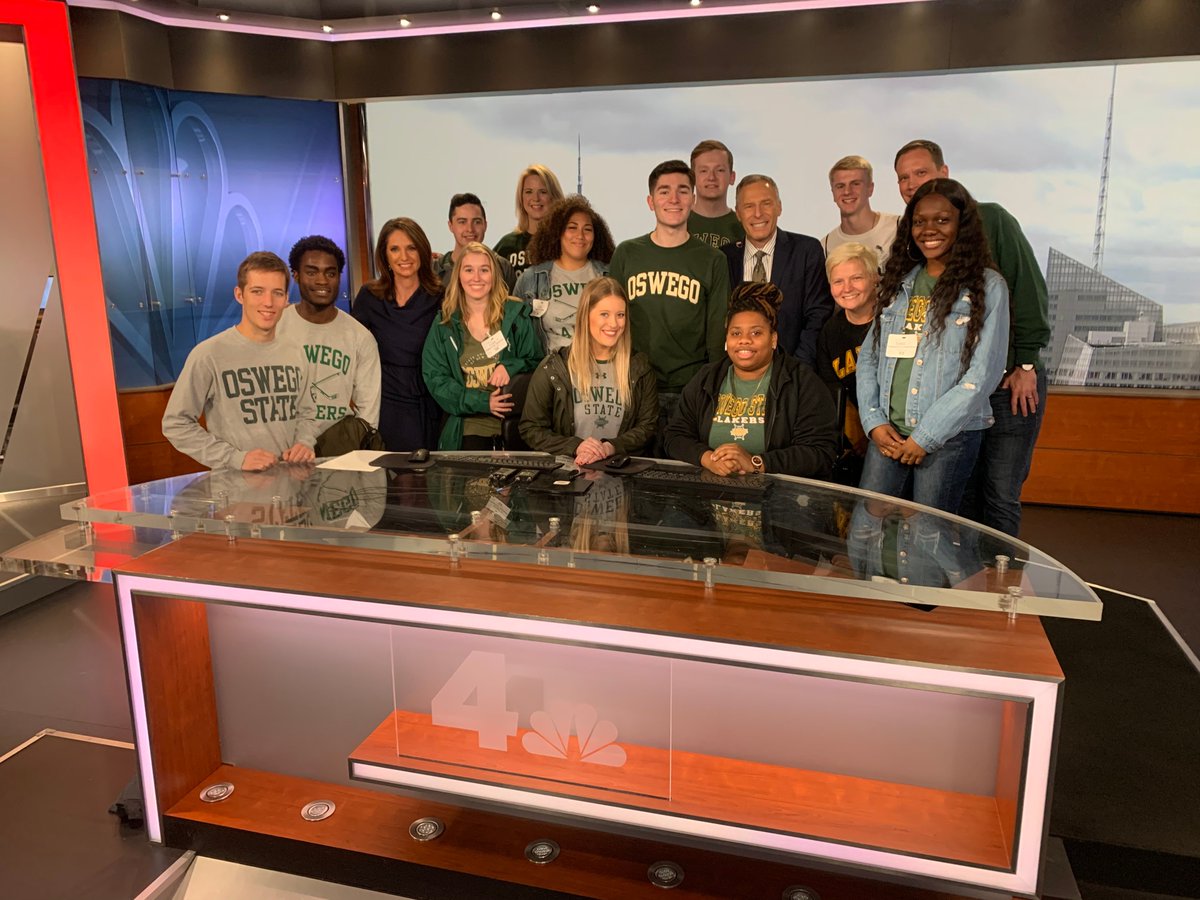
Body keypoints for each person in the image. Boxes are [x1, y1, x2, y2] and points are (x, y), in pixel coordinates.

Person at [894, 139, 1051, 535]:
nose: (912, 184)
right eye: (903, 178)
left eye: (921, 173)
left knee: (999, 491)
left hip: (1008, 382)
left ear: (944, 174)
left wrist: (1026, 362)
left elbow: (1029, 292)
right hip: (951, 392)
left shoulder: (993, 220)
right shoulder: (918, 237)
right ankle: (961, 586)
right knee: (960, 493)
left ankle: (1001, 586)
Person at [856, 178, 1010, 513]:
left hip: (948, 438)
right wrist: (873, 421)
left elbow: (981, 375)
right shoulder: (900, 283)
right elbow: (868, 358)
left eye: (942, 220)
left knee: (928, 538)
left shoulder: (987, 287)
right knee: (867, 529)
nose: (929, 229)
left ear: (962, 225)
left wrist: (924, 437)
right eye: (920, 221)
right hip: (888, 433)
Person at [608, 159, 730, 448]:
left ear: (694, 199)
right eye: (664, 191)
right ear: (651, 201)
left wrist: (711, 391)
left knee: (684, 476)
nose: (673, 199)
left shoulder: (713, 260)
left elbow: (716, 332)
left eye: (682, 191)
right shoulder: (627, 253)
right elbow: (609, 322)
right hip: (634, 386)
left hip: (689, 388)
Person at [163, 251, 318, 470]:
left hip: (291, 490)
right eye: (257, 292)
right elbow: (175, 424)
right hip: (235, 493)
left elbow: (307, 414)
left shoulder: (296, 353)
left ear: (286, 299)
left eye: (277, 293)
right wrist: (235, 458)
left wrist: (304, 442)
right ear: (239, 294)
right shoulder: (208, 354)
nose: (268, 302)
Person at [664, 282, 837, 479]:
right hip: (710, 492)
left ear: (773, 339)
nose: (744, 340)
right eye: (736, 333)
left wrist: (757, 463)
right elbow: (674, 436)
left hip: (777, 499)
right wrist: (708, 459)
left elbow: (821, 453)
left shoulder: (802, 382)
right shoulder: (707, 378)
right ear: (726, 340)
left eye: (756, 333)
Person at [519, 276, 658, 464]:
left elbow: (647, 427)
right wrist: (575, 446)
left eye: (620, 315)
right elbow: (531, 428)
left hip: (620, 473)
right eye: (604, 314)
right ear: (586, 315)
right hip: (567, 476)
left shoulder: (639, 368)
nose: (614, 324)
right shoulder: (554, 367)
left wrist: (610, 447)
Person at [422, 242, 542, 450]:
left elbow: (538, 362)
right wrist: (483, 402)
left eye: (484, 270)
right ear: (459, 276)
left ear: (494, 275)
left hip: (516, 427)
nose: (476, 278)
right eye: (469, 270)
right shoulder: (445, 324)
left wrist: (510, 366)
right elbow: (436, 379)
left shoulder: (515, 316)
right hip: (468, 428)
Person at [722, 174, 833, 368]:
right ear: (738, 213)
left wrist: (795, 371)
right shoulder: (723, 258)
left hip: (795, 374)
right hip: (737, 377)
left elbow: (818, 316)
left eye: (766, 203)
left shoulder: (806, 251)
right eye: (749, 206)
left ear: (779, 207)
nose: (758, 213)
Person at [351, 217, 442, 451]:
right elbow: (352, 352)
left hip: (429, 404)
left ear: (423, 251)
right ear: (385, 256)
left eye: (411, 248)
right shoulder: (369, 296)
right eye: (395, 249)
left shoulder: (441, 296)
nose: (404, 257)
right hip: (385, 404)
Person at [277, 235, 381, 435]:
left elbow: (368, 416)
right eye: (311, 272)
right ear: (296, 275)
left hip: (338, 450)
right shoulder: (276, 326)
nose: (322, 281)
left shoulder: (360, 337)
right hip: (283, 448)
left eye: (330, 273)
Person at [512, 195, 616, 354]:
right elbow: (515, 334)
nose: (580, 236)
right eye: (572, 228)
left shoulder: (609, 276)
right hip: (550, 373)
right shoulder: (532, 279)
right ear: (557, 232)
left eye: (587, 229)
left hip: (600, 370)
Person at [815, 242, 879, 483]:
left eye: (856, 278)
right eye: (838, 281)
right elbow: (832, 389)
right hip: (854, 441)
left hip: (894, 433)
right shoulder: (830, 332)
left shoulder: (891, 320)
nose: (847, 288)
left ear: (875, 279)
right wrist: (858, 436)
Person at [821, 155, 900, 271]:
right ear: (833, 193)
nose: (847, 191)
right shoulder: (826, 246)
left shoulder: (898, 227)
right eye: (840, 186)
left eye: (855, 184)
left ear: (870, 188)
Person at [493, 164, 566, 280]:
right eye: (528, 191)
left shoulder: (566, 242)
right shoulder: (506, 245)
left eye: (543, 191)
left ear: (554, 196)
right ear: (521, 197)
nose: (536, 198)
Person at [434, 192, 516, 291]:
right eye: (462, 222)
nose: (470, 229)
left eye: (477, 222)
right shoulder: (435, 270)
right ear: (450, 225)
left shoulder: (502, 267)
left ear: (485, 225)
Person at [687, 139, 744, 249]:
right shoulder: (678, 224)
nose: (711, 177)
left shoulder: (744, 227)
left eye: (720, 170)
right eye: (704, 171)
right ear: (692, 177)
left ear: (732, 177)